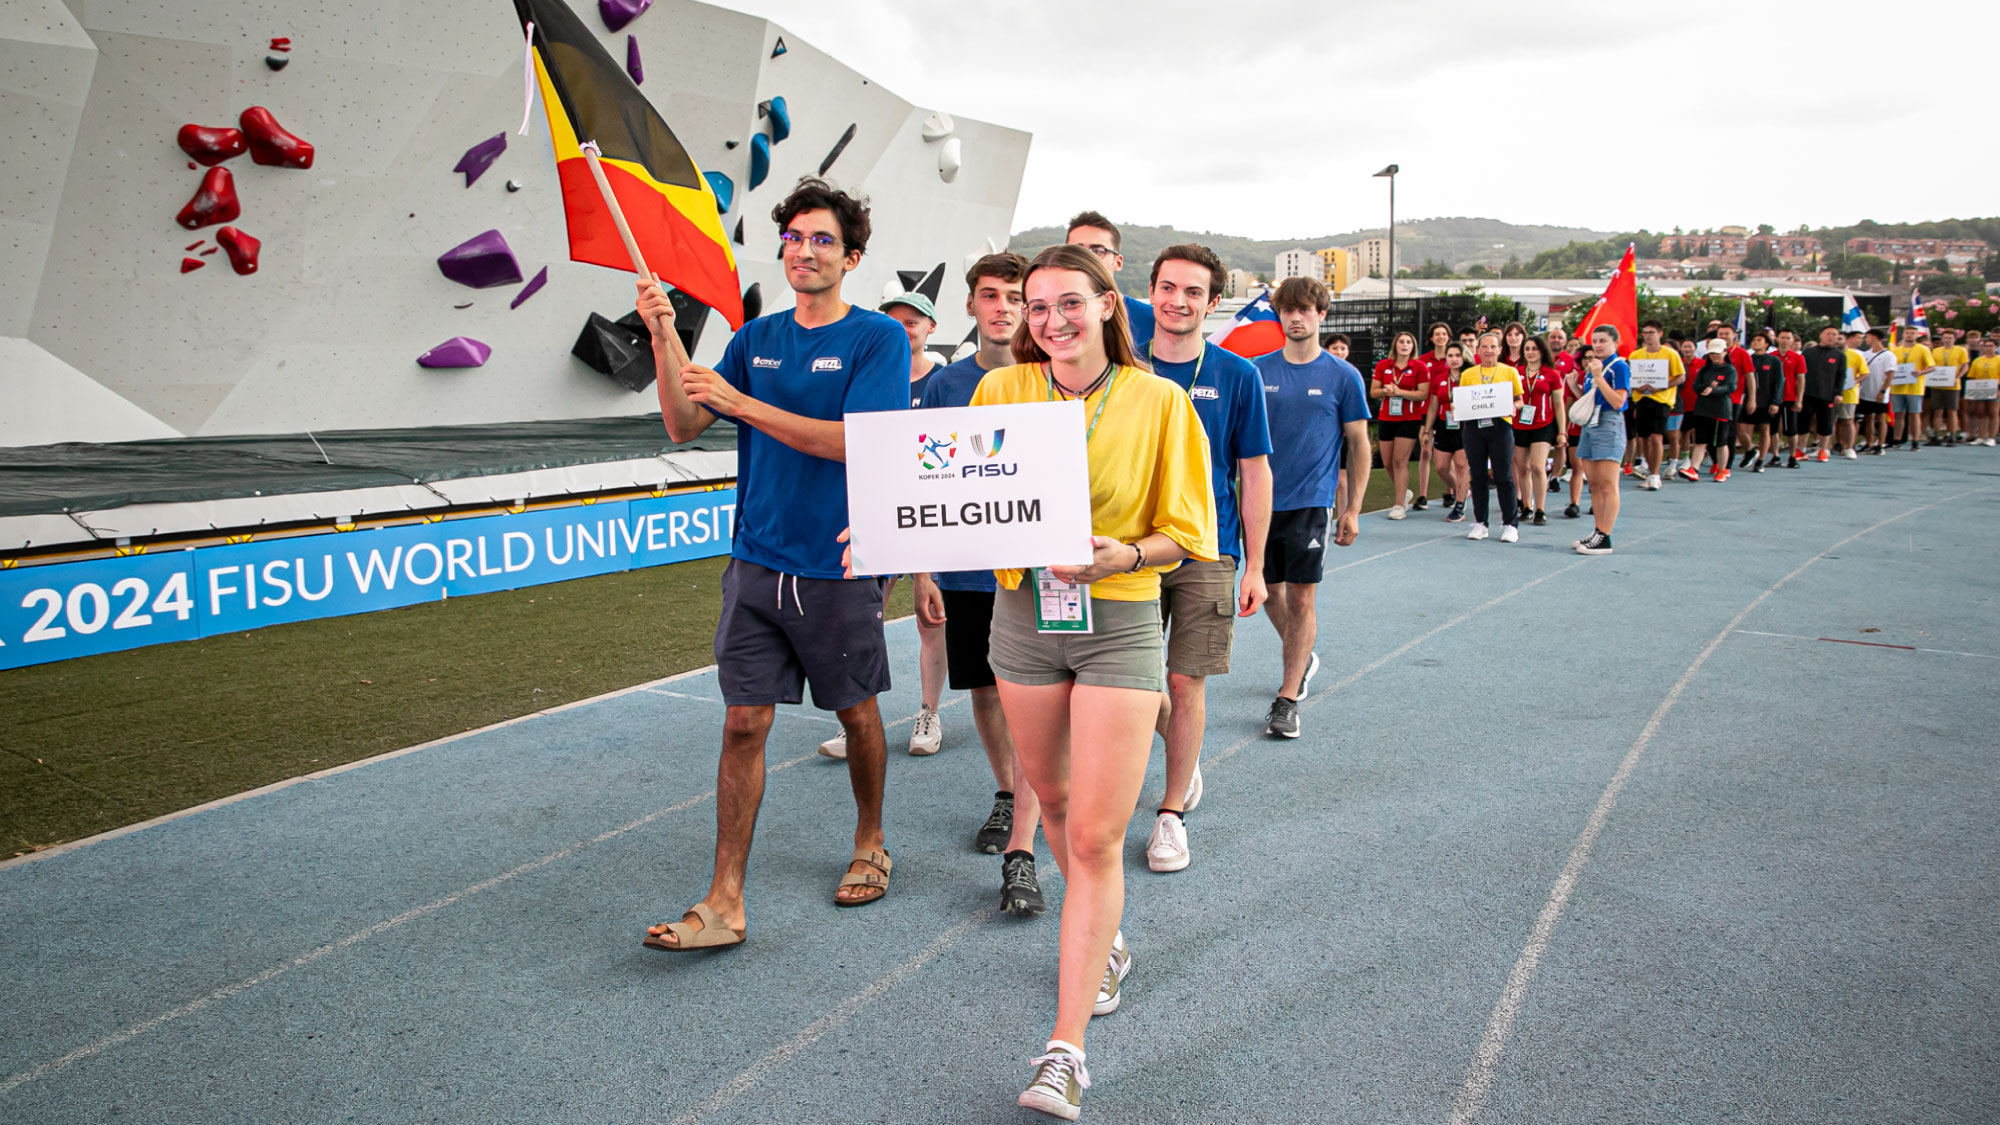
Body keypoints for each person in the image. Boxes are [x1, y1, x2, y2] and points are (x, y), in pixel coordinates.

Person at [968, 244, 1216, 1122]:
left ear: (1109, 304)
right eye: (1036, 307)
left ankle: (1064, 1051)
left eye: (1069, 302)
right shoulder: (1000, 392)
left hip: (1117, 619)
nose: (1051, 320)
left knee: (1100, 837)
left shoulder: (1160, 402)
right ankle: (1106, 941)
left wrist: (1127, 552)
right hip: (1023, 622)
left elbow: (1184, 532)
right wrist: (894, 539)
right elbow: (964, 501)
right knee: (1061, 805)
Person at [637, 177, 909, 952]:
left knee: (855, 714)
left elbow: (863, 441)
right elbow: (686, 422)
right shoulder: (753, 339)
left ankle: (870, 836)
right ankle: (724, 899)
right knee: (743, 721)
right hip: (756, 563)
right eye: (794, 237)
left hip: (839, 564)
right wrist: (665, 338)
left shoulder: (875, 340)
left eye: (824, 240)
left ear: (852, 257)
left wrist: (744, 403)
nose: (806, 250)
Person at [911, 251, 1048, 916]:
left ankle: (1029, 813)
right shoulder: (944, 386)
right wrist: (922, 571)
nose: (1002, 307)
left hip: (1036, 570)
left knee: (1038, 694)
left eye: (1014, 296)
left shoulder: (1054, 380)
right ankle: (1009, 789)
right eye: (989, 295)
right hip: (965, 571)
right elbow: (923, 480)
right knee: (986, 690)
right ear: (970, 306)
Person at [1139, 244, 1272, 874]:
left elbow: (1254, 472)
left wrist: (1257, 565)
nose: (1178, 301)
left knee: (1185, 679)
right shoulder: (1123, 371)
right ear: (1152, 291)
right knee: (1136, 682)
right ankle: (1183, 761)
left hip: (1207, 551)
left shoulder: (1237, 375)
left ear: (1212, 303)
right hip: (1131, 551)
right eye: (1168, 288)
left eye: (1193, 292)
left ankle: (1170, 814)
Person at [828, 291, 947, 759]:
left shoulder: (941, 382)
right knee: (862, 615)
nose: (903, 327)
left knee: (929, 619)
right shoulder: (872, 374)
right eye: (893, 320)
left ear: (931, 327)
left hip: (931, 513)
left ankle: (928, 713)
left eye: (913, 320)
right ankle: (857, 717)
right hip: (880, 510)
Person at [1255, 276, 1371, 740]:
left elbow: (1359, 444)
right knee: (1265, 592)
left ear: (1322, 314)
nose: (1296, 317)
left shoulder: (1343, 376)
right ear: (1279, 314)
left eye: (1305, 309)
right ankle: (1300, 653)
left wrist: (1353, 508)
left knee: (1302, 596)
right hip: (1259, 504)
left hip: (1311, 503)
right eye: (1288, 310)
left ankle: (1287, 698)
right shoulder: (1256, 371)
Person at [1457, 331, 1526, 543]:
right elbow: (1462, 401)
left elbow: (1519, 400)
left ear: (1499, 349)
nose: (1488, 351)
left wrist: (1514, 407)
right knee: (1477, 476)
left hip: (1501, 426)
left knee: (1504, 476)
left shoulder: (1509, 371)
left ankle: (1510, 524)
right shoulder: (1468, 374)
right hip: (1474, 428)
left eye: (1493, 346)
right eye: (1484, 347)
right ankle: (1480, 523)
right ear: (1478, 350)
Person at [1572, 326, 1631, 555]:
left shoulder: (1618, 367)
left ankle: (1606, 535)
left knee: (1607, 483)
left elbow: (1618, 402)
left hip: (1608, 423)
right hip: (1590, 423)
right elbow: (1591, 400)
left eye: (1603, 341)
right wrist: (1575, 386)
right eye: (1595, 341)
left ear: (1614, 342)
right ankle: (1598, 530)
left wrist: (1598, 377)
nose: (1597, 345)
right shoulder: (1593, 367)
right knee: (1594, 483)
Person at [1064, 210, 1154, 348]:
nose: (1087, 258)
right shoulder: (1049, 317)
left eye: (1098, 251)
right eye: (1077, 250)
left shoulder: (1151, 320)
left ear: (1118, 262)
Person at [1371, 331, 1431, 520]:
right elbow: (1373, 392)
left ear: (1413, 346)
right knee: (1387, 462)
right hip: (1387, 417)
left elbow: (1423, 394)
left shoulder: (1419, 366)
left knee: (1400, 460)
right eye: (1401, 342)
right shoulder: (1384, 365)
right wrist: (1385, 391)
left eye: (1408, 342)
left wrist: (1401, 392)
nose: (1404, 345)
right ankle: (1404, 491)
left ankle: (1398, 505)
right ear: (1395, 345)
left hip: (1409, 418)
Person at [1510, 335, 1565, 525]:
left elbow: (1558, 405)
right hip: (1519, 425)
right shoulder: (1516, 372)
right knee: (1522, 467)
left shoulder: (1552, 374)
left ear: (1542, 351)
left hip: (1543, 424)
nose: (1531, 352)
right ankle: (1527, 506)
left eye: (1534, 349)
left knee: (1536, 465)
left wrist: (1562, 431)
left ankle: (1540, 508)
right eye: (1527, 349)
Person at [1625, 320, 1684, 491]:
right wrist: (1636, 386)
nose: (1648, 336)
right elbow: (1631, 377)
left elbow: (1680, 376)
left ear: (1659, 333)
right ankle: (1649, 470)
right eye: (1645, 333)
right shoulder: (1636, 355)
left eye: (1651, 332)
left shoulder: (1670, 354)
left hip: (1662, 399)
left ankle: (1655, 474)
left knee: (1656, 437)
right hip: (1641, 398)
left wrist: (1663, 385)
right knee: (1643, 437)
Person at [1425, 342, 1471, 522]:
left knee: (1461, 465)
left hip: (1464, 426)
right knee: (1441, 467)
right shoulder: (1440, 379)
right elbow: (1433, 406)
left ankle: (1459, 505)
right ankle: (1463, 489)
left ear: (1464, 357)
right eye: (1450, 356)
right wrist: (1427, 431)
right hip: (1444, 425)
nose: (1453, 359)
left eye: (1457, 355)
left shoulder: (1470, 377)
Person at [1684, 337, 1739, 482]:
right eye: (1712, 353)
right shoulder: (1704, 369)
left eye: (1718, 353)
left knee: (1721, 442)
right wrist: (1707, 388)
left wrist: (1714, 389)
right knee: (1700, 441)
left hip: (1720, 410)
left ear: (1725, 352)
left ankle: (1722, 469)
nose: (1714, 356)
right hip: (1702, 409)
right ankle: (1694, 468)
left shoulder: (1729, 370)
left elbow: (1731, 387)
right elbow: (1696, 386)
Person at [1413, 321, 1455, 511]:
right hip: (1427, 410)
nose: (1441, 337)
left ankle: (1450, 492)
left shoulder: (1454, 358)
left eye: (1444, 334)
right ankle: (1422, 495)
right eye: (1437, 334)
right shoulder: (1423, 360)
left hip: (1450, 413)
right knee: (1425, 451)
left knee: (1449, 453)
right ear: (1431, 338)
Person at [1799, 323, 1849, 463]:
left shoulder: (1839, 355)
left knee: (1825, 424)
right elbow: (1801, 373)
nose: (1831, 337)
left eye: (1834, 335)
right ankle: (1801, 449)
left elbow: (1841, 375)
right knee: (1803, 422)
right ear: (1821, 335)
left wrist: (1838, 393)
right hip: (1807, 393)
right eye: (1828, 333)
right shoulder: (1808, 353)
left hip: (1827, 395)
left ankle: (1823, 450)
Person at [1743, 331, 1784, 471]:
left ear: (1766, 344)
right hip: (1748, 399)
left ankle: (1760, 460)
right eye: (1754, 339)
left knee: (1764, 429)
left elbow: (1779, 382)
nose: (1755, 342)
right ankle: (1750, 449)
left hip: (1766, 400)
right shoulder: (1748, 358)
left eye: (1759, 340)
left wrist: (1775, 402)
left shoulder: (1774, 361)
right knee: (1741, 427)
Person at [1889, 328, 1934, 450]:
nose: (1909, 335)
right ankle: (1897, 439)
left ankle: (1915, 440)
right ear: (1903, 335)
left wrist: (1920, 372)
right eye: (1907, 333)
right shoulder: (1896, 350)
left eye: (1912, 333)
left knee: (1914, 414)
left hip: (1914, 387)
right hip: (1898, 386)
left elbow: (1931, 367)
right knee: (1898, 414)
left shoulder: (1922, 349)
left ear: (1916, 335)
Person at [1925, 325, 1968, 447]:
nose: (1947, 340)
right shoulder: (1936, 351)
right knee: (1937, 411)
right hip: (1938, 384)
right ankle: (1936, 436)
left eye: (1950, 337)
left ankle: (1951, 435)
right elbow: (1931, 365)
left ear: (1954, 339)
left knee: (1952, 411)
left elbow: (1965, 365)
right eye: (1945, 338)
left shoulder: (1961, 350)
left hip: (1953, 385)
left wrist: (1958, 376)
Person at [1857, 328, 1897, 453]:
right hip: (1866, 391)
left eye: (1867, 337)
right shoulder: (1866, 354)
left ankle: (1880, 444)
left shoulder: (1888, 355)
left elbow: (1890, 374)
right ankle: (1868, 443)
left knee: (1881, 418)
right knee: (1868, 417)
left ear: (1874, 337)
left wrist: (1883, 391)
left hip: (1879, 391)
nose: (1865, 340)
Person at [1966, 335, 2000, 446]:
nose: (1988, 348)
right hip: (1980, 388)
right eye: (1986, 346)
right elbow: (1972, 376)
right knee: (1981, 413)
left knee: (1993, 413)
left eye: (1991, 346)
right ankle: (1981, 436)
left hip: (1995, 388)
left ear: (1995, 347)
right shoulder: (1978, 361)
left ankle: (1991, 437)